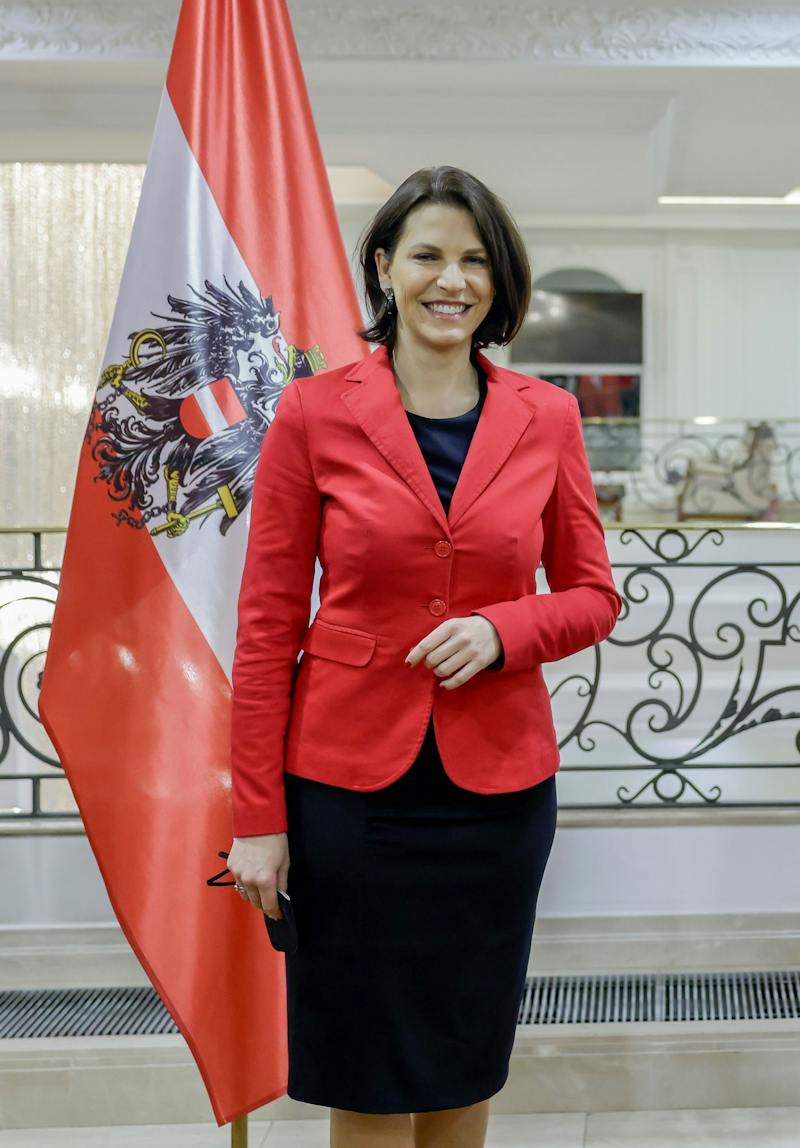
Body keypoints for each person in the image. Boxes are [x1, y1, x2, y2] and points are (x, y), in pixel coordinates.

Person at [227, 166, 620, 1148]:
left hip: (494, 798)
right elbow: (268, 625)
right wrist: (256, 820)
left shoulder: (549, 415)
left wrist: (503, 630)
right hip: (347, 797)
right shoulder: (314, 411)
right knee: (364, 1069)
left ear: (501, 280)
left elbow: (591, 595)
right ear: (385, 267)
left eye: (477, 258)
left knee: (461, 1051)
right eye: (431, 255)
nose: (455, 279)